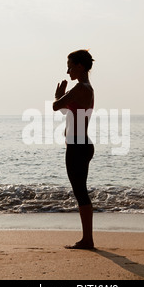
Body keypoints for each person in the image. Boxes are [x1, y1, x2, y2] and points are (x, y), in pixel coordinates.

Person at [53, 50, 95, 249]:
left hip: (78, 146)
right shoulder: (87, 88)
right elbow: (65, 110)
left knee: (80, 192)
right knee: (81, 192)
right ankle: (87, 238)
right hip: (81, 144)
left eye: (70, 66)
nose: (68, 70)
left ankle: (88, 240)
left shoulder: (80, 88)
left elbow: (56, 106)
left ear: (80, 66)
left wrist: (58, 96)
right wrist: (62, 98)